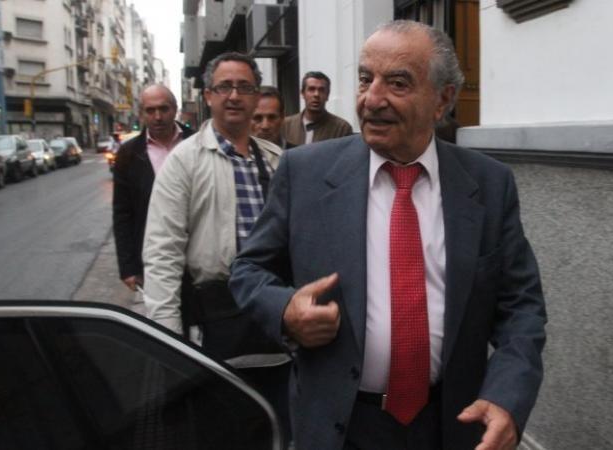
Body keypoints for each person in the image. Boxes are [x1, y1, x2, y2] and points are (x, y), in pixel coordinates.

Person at [230, 21, 546, 450]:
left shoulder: (488, 184)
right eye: (365, 79)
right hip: (340, 428)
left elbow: (521, 309)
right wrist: (285, 309)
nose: (372, 99)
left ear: (442, 100)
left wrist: (507, 396)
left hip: (450, 426)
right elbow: (248, 270)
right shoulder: (304, 173)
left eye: (397, 83)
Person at [140, 52, 291, 442]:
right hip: (218, 327)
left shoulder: (276, 161)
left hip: (276, 327)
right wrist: (169, 344)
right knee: (224, 431)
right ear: (208, 95)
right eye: (224, 87)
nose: (234, 95)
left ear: (256, 96)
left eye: (244, 87)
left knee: (279, 428)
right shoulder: (185, 161)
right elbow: (162, 254)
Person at [112, 84, 194, 300]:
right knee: (164, 318)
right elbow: (122, 213)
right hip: (155, 258)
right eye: (150, 110)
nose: (158, 117)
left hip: (199, 255)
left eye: (164, 109)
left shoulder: (197, 142)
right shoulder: (129, 153)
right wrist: (128, 267)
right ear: (141, 114)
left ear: (175, 109)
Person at [282, 71, 352, 146]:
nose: (316, 94)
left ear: (327, 95)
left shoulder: (341, 128)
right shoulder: (286, 125)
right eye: (311, 89)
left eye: (321, 90)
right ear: (302, 93)